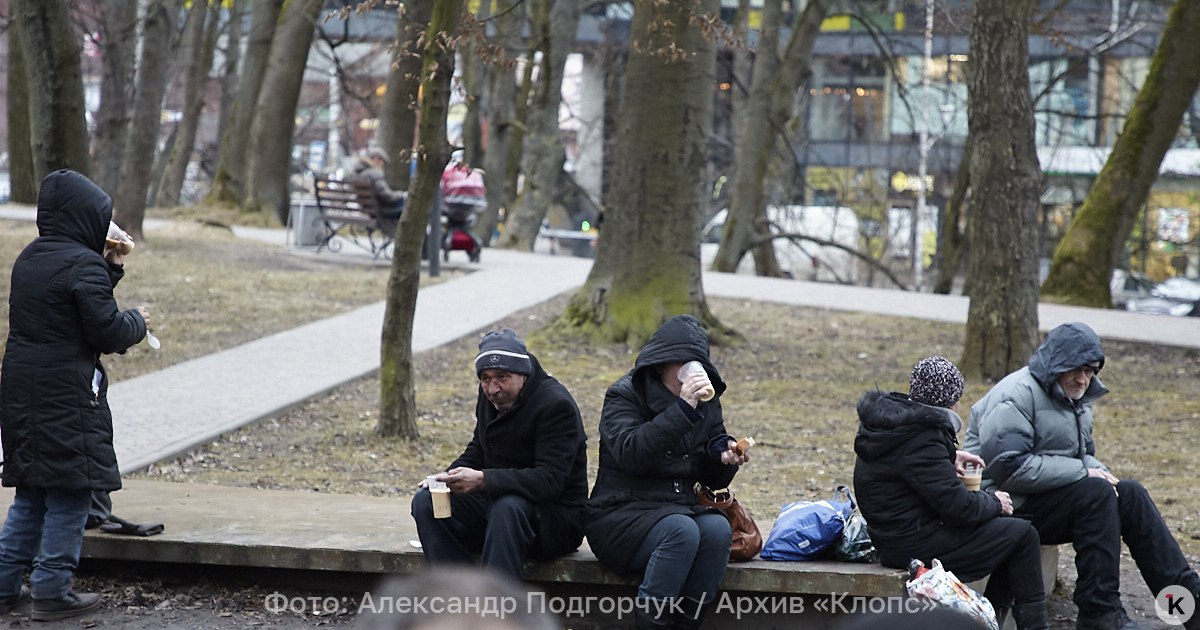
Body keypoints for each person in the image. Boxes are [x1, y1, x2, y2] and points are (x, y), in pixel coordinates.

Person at [964, 322, 1200, 630]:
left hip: (1047, 498)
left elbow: (1081, 456)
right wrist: (1085, 472)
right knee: (1095, 494)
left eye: (1090, 371)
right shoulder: (1014, 395)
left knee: (1129, 493)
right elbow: (1010, 469)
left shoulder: (1077, 398)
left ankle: (1188, 605)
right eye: (1075, 370)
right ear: (1054, 366)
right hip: (1006, 506)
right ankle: (1099, 614)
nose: (1083, 379)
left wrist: (1101, 471)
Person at [0, 169, 150, 621]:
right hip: (64, 391)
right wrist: (139, 321)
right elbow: (104, 329)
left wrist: (110, 268)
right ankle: (51, 589)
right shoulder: (83, 265)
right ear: (86, 217)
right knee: (71, 492)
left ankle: (5, 585)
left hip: (20, 385)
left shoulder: (30, 258)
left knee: (31, 493)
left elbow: (67, 307)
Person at [853, 356, 1049, 629]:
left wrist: (948, 455)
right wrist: (994, 501)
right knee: (1022, 536)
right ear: (951, 401)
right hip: (914, 545)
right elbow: (959, 508)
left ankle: (989, 621)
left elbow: (906, 467)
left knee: (1009, 535)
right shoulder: (923, 438)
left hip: (893, 537)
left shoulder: (893, 426)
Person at [585, 315, 749, 630]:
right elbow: (631, 453)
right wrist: (683, 409)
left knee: (716, 530)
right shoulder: (625, 395)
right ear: (660, 364)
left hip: (678, 509)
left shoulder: (707, 402)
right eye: (681, 364)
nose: (690, 372)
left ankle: (686, 623)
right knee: (681, 532)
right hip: (620, 514)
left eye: (696, 364)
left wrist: (724, 456)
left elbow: (712, 470)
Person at [410, 329, 588, 581]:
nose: (493, 389)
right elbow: (479, 448)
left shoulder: (556, 405)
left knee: (508, 507)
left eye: (502, 377)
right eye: (485, 379)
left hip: (552, 521)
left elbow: (551, 480)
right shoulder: (490, 397)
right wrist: (448, 476)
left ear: (523, 375)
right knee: (426, 501)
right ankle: (456, 592)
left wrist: (484, 479)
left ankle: (494, 608)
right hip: (498, 509)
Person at [354, 147, 407, 219]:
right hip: (382, 211)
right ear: (376, 159)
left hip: (369, 210)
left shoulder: (361, 173)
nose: (383, 165)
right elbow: (388, 196)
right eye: (383, 161)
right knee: (409, 204)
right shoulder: (375, 173)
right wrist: (403, 194)